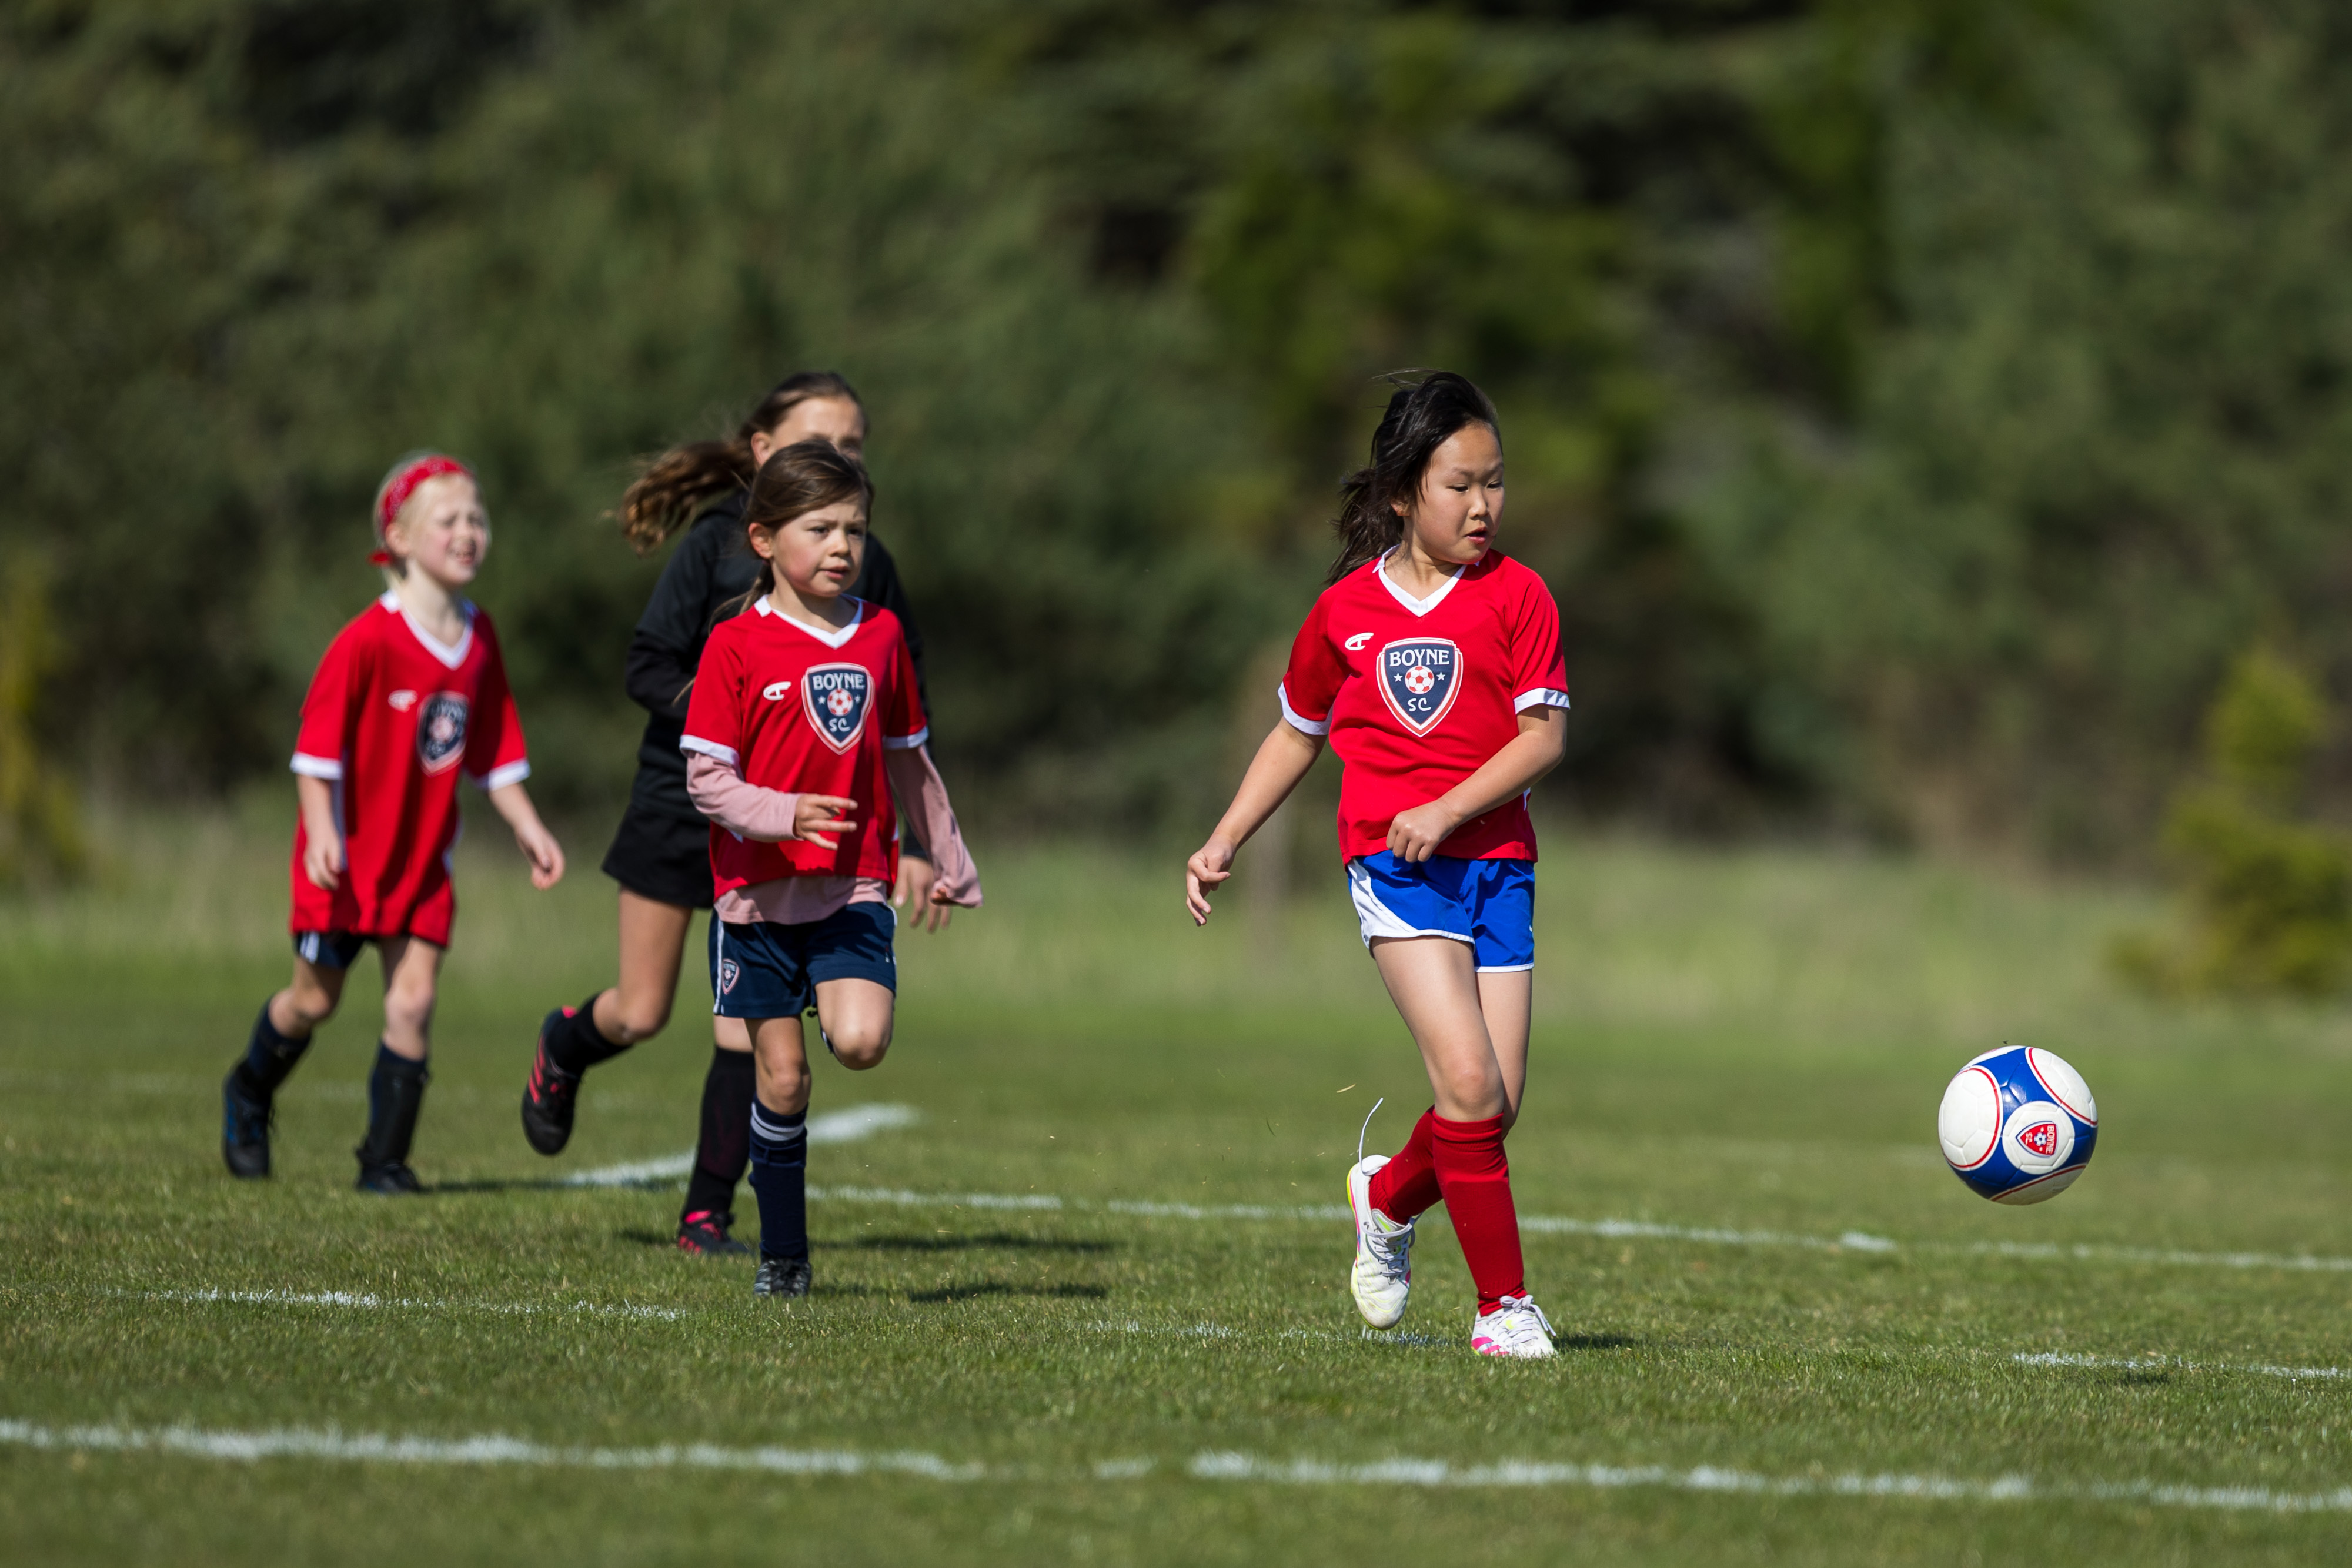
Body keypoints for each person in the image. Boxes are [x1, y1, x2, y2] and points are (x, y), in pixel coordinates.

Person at [1184, 372, 1571, 1359]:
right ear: (1402, 492)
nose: (1483, 505)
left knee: (1491, 1106)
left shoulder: (1521, 595)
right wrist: (1226, 836)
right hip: (1394, 868)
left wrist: (1449, 808)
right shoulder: (1344, 611)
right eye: (1459, 485)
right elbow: (1296, 731)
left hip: (1498, 865)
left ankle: (1388, 1198)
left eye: (1495, 482)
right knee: (1469, 1081)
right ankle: (1503, 1310)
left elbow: (1542, 738)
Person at [519, 373, 936, 1258]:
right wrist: (732, 725)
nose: (841, 458)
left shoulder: (866, 563)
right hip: (686, 799)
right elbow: (646, 664)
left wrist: (913, 839)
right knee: (640, 1010)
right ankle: (564, 1043)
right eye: (822, 441)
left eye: (854, 445)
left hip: (804, 828)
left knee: (742, 1031)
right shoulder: (715, 543)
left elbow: (899, 706)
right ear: (762, 451)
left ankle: (706, 1214)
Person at [678, 440, 980, 1298]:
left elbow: (908, 755)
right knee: (783, 1078)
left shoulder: (880, 634)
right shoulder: (735, 645)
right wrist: (783, 814)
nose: (843, 545)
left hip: (853, 885)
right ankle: (783, 1257)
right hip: (754, 898)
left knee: (860, 1041)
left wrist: (945, 855)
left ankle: (830, 991)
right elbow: (706, 780)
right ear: (764, 539)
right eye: (821, 529)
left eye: (855, 528)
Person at [222, 453, 566, 1193]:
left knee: (413, 1003)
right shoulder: (367, 640)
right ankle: (248, 1090)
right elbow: (315, 753)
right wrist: (321, 831)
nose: (468, 532)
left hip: (423, 866)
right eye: (449, 520)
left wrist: (528, 826)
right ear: (400, 539)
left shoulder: (479, 638)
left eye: (477, 518)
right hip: (345, 866)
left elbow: (494, 752)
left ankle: (384, 1165)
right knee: (313, 1001)